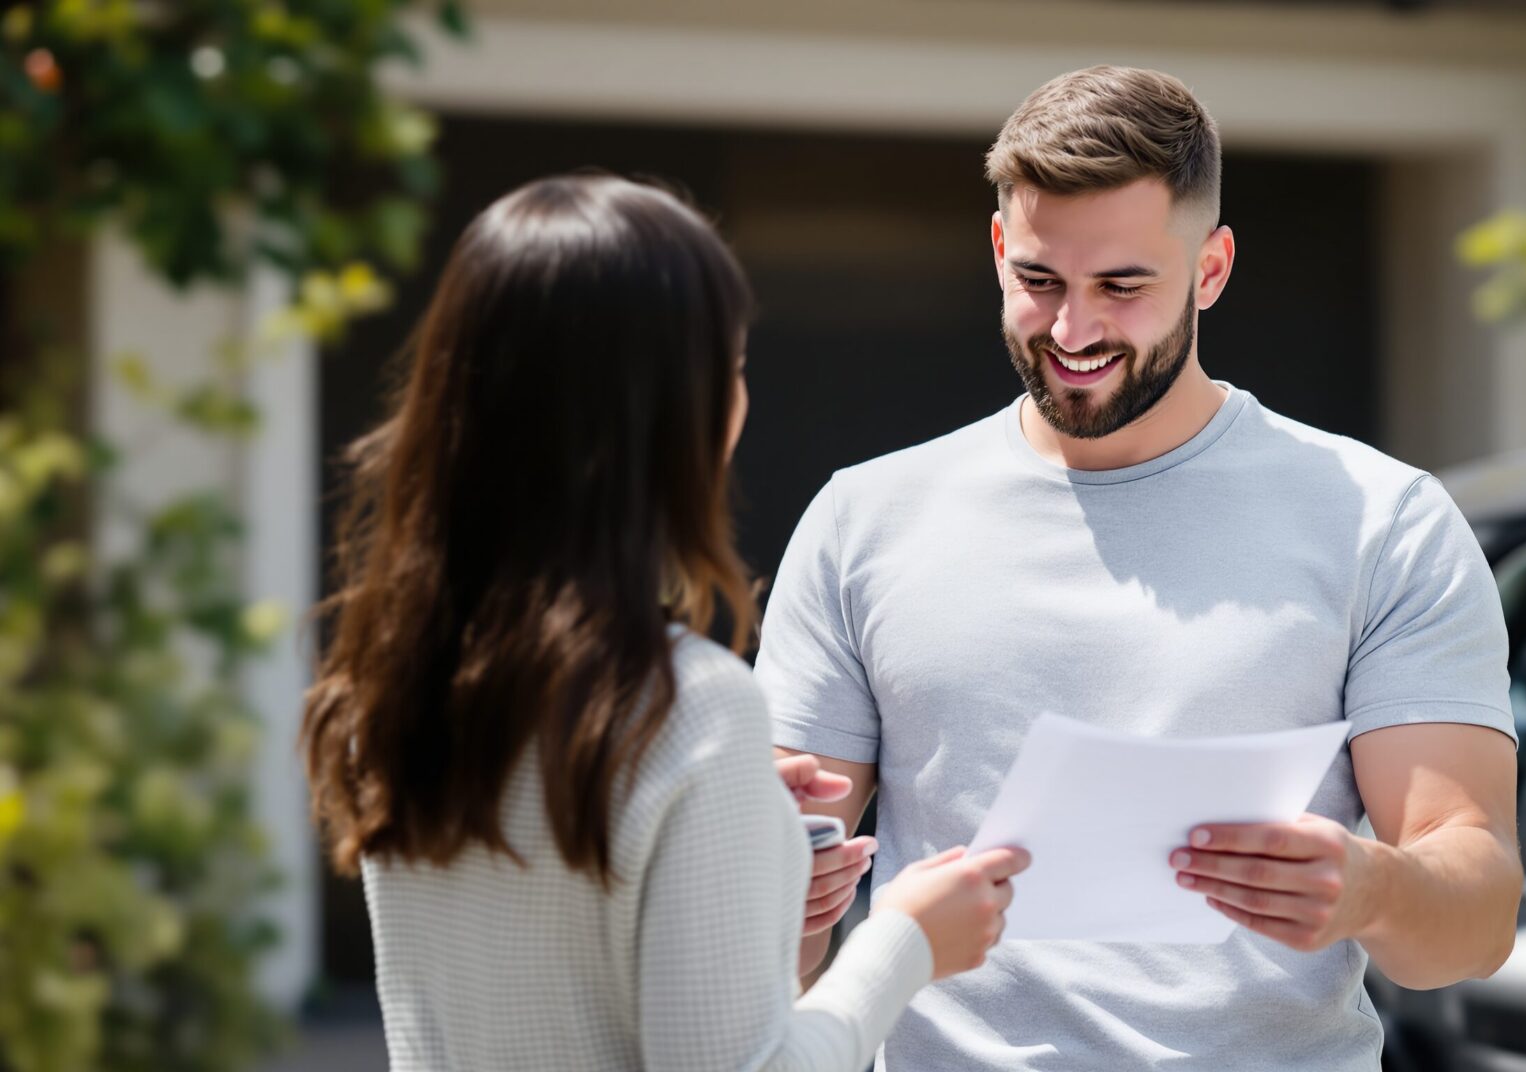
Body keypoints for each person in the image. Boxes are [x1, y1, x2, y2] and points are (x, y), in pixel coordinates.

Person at [761, 66, 1522, 1070]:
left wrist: (1371, 887)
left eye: (1123, 286)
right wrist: (776, 877)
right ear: (998, 250)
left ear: (1211, 269)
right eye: (1040, 282)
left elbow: (1476, 913)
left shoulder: (1381, 519)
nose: (1073, 332)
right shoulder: (865, 518)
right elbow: (777, 949)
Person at [299, 173, 1029, 1072]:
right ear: (670, 414)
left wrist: (746, 847)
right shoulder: (687, 707)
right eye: (728, 367)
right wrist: (906, 939)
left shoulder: (402, 682)